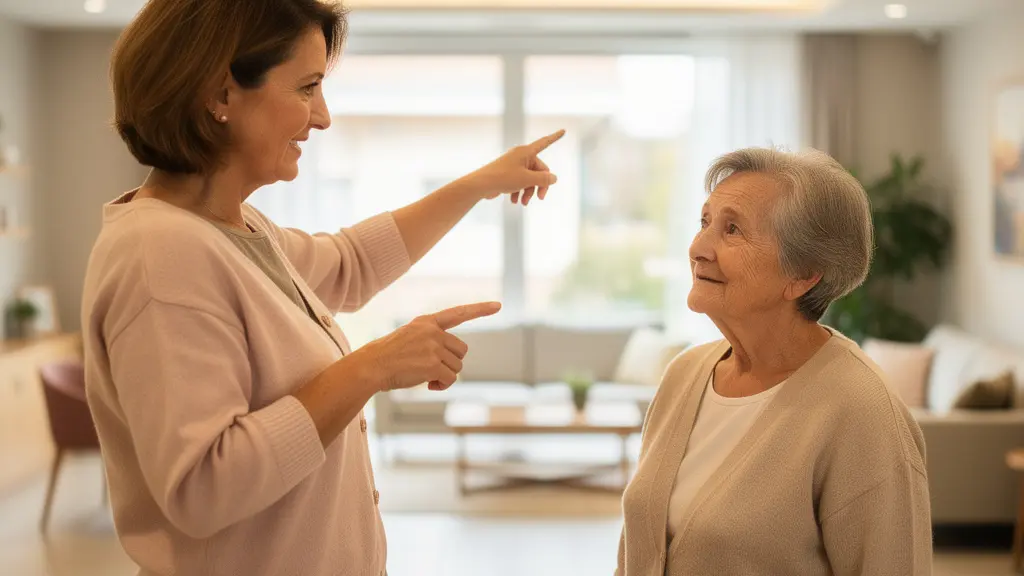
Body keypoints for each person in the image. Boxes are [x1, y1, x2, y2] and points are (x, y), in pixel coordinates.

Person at [80, 1, 563, 575]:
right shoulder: (160, 255)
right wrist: (371, 368)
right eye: (307, 87)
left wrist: (477, 185)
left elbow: (349, 264)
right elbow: (202, 487)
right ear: (220, 94)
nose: (323, 117)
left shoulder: (235, 226)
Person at [616, 147, 932, 575]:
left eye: (732, 230)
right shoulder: (684, 375)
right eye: (705, 222)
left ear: (802, 275)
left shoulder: (862, 412)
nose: (698, 248)